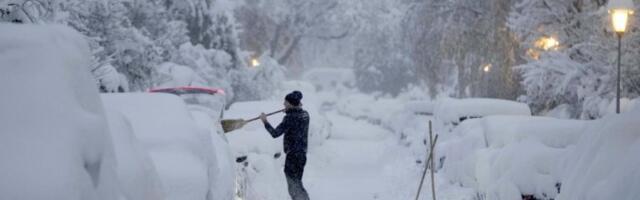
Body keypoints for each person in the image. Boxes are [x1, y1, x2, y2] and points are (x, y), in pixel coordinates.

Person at [260, 91, 310, 200]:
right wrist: (289, 111)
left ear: (291, 104)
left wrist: (265, 121)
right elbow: (296, 115)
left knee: (293, 187)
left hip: (292, 156)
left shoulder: (290, 118)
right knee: (297, 184)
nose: (283, 104)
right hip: (301, 155)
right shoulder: (305, 115)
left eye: (285, 103)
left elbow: (275, 133)